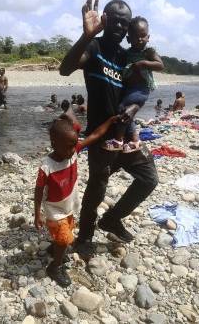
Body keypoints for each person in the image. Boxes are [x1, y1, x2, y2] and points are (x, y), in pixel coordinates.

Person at [59, 0, 159, 259]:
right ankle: (85, 236)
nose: (118, 26)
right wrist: (87, 36)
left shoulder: (129, 58)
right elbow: (65, 69)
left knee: (149, 179)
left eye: (123, 23)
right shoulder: (94, 49)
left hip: (125, 135)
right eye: (114, 20)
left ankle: (112, 219)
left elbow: (141, 90)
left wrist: (134, 109)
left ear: (129, 28)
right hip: (101, 137)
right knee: (97, 186)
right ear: (105, 19)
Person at [34, 114, 118, 286]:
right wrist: (37, 214)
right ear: (54, 143)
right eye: (68, 147)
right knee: (66, 239)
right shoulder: (46, 167)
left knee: (66, 232)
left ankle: (54, 247)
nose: (73, 150)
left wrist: (109, 121)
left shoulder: (72, 151)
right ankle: (54, 267)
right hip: (54, 209)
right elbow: (38, 191)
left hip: (70, 204)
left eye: (74, 145)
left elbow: (95, 135)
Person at [104, 16, 164, 152]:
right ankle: (135, 141)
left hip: (141, 89)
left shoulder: (149, 52)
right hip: (129, 89)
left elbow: (160, 65)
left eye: (143, 36)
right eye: (136, 36)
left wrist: (143, 63)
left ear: (148, 37)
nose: (140, 39)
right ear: (129, 39)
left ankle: (118, 140)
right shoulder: (127, 53)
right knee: (127, 114)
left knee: (123, 109)